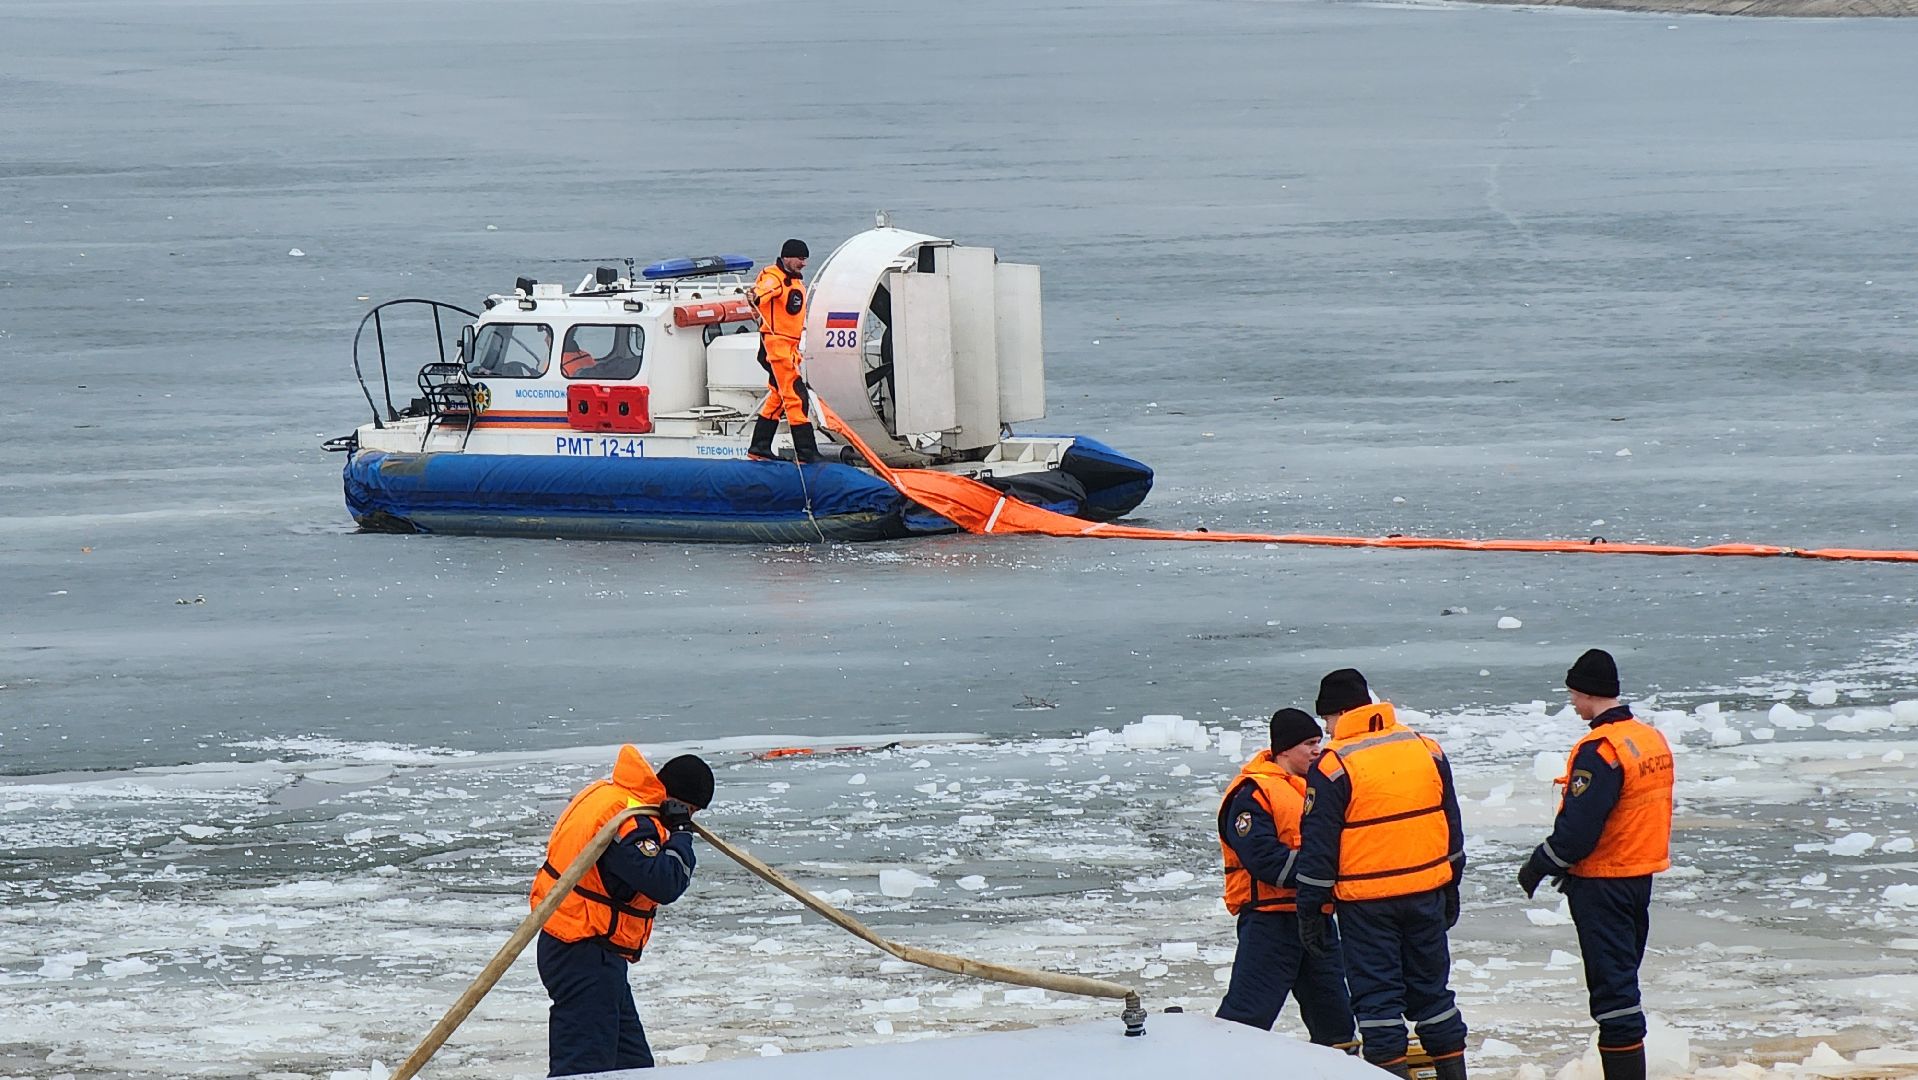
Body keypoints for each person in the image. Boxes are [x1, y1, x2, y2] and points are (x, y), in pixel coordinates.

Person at [1296, 669, 1468, 1079]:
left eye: (1327, 720)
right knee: (1434, 997)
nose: (1327, 730)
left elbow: (1320, 847)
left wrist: (1311, 911)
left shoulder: (1335, 765)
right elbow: (1451, 822)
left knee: (1378, 1005)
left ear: (1340, 713)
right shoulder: (1425, 748)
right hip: (1426, 892)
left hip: (1366, 906)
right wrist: (1452, 884)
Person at [1518, 650, 1675, 1080]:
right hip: (1639, 875)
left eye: (1573, 694)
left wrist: (1541, 864)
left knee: (1614, 996)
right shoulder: (1649, 739)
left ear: (1588, 693)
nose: (1572, 702)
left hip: (1603, 881)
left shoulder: (1600, 750)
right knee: (1623, 978)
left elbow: (1580, 828)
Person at [529, 745, 714, 1076]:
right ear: (680, 803)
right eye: (691, 811)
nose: (691, 819)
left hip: (590, 948)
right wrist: (681, 835)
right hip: (582, 952)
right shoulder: (630, 821)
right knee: (585, 1067)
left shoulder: (611, 796)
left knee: (632, 1064)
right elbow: (665, 883)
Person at [1216, 708, 1357, 1050]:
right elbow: (1264, 860)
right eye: (1308, 744)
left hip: (1316, 918)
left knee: (1336, 1020)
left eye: (1318, 742)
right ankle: (1221, 1064)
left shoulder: (1317, 789)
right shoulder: (1253, 794)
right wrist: (1320, 873)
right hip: (1271, 923)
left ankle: (1341, 1066)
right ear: (1283, 749)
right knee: (1247, 1017)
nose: (1317, 750)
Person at [747, 239, 820, 463]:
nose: (803, 263)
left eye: (805, 259)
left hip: (789, 347)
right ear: (787, 257)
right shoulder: (774, 277)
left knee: (778, 397)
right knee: (796, 397)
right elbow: (762, 291)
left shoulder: (795, 281)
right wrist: (755, 296)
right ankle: (806, 452)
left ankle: (759, 447)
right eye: (800, 258)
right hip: (776, 347)